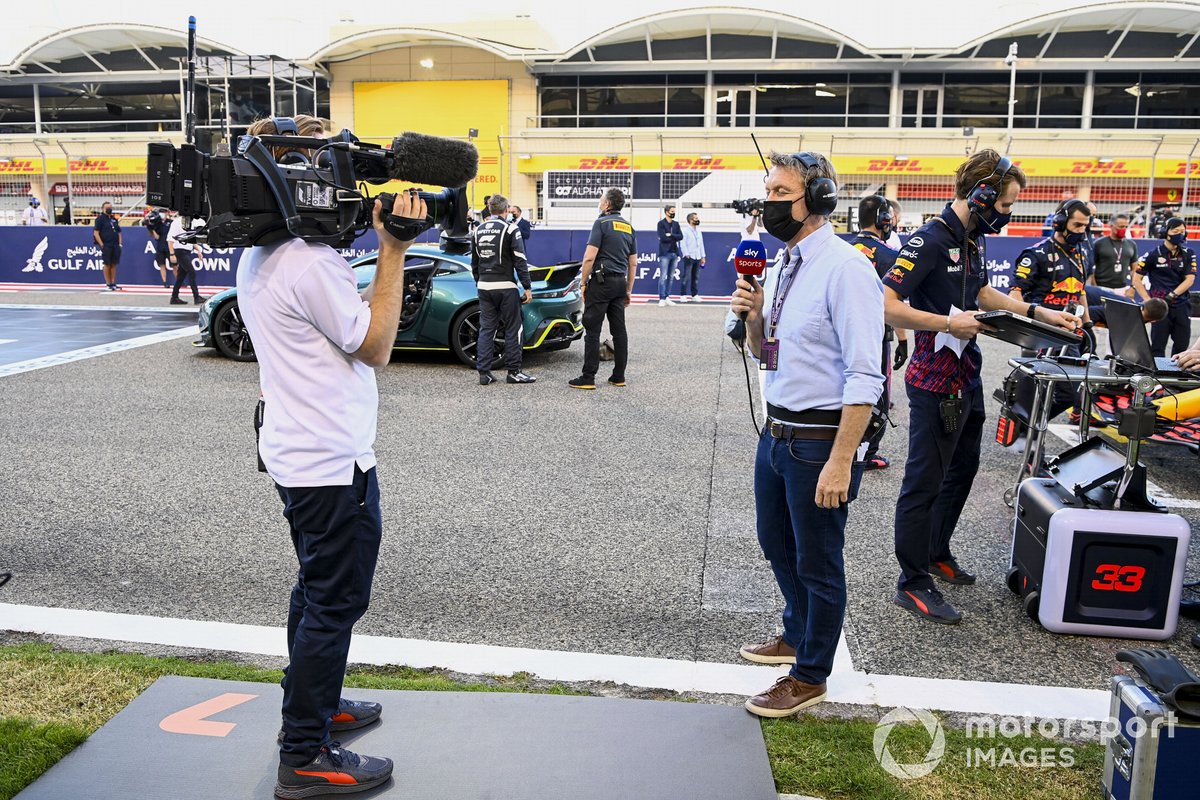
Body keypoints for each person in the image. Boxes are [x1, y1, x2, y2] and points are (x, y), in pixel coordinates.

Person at [236, 115, 418, 798]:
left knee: (315, 590)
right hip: (329, 464)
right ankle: (305, 752)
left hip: (299, 453)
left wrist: (377, 272)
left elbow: (336, 330)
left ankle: (319, 701)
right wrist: (392, 251)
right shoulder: (309, 262)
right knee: (335, 601)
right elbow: (373, 347)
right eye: (329, 166)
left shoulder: (265, 254)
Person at [882, 150, 1079, 625]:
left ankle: (935, 552)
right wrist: (947, 320)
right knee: (924, 480)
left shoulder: (971, 238)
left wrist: (1039, 313)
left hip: (966, 375)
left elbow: (982, 295)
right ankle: (912, 581)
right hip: (933, 383)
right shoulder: (927, 240)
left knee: (963, 469)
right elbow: (885, 304)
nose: (1009, 215)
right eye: (1007, 205)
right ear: (983, 195)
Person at [730, 150, 883, 718]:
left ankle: (811, 672)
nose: (766, 204)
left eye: (778, 193)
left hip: (821, 440)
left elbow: (866, 374)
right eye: (766, 192)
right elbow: (766, 354)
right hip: (776, 434)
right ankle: (797, 632)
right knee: (776, 543)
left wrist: (843, 459)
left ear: (816, 200)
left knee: (819, 560)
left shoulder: (846, 268)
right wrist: (751, 316)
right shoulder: (780, 266)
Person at [850, 195, 902, 471]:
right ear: (883, 219)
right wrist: (903, 340)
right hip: (876, 336)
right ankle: (867, 453)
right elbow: (895, 304)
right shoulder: (889, 256)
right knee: (877, 393)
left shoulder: (840, 248)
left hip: (840, 335)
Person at [570, 187, 637, 389]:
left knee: (592, 329)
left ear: (607, 204)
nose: (600, 203)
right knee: (619, 331)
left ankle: (588, 377)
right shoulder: (628, 227)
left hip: (601, 282)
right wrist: (628, 290)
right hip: (619, 283)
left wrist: (582, 282)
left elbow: (589, 257)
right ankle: (619, 376)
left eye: (601, 200)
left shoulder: (601, 223)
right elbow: (633, 263)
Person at [471, 193, 535, 385]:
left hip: (484, 286)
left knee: (486, 329)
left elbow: (474, 263)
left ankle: (484, 373)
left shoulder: (477, 230)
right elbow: (520, 260)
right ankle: (514, 372)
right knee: (513, 328)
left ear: (490, 209)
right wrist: (527, 286)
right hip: (506, 286)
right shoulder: (511, 229)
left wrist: (479, 282)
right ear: (506, 210)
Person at [1134, 217, 1196, 357]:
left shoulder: (1188, 254)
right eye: (1176, 231)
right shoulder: (1152, 254)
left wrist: (1172, 295)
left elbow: (1190, 279)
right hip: (1160, 309)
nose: (1180, 234)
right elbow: (1137, 279)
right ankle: (1157, 377)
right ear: (1166, 232)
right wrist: (1148, 300)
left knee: (1182, 346)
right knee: (1157, 347)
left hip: (1181, 305)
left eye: (1182, 231)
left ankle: (1179, 378)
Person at [1092, 212, 1138, 293]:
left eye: (1125, 227)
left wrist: (1132, 288)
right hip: (1102, 287)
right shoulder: (1099, 244)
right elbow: (1090, 268)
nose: (1123, 229)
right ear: (1111, 226)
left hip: (1122, 288)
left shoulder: (1131, 244)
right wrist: (1095, 288)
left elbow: (1134, 269)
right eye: (1121, 227)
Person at [167, 212, 206, 305]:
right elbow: (170, 239)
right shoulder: (176, 222)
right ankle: (196, 297)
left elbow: (190, 239)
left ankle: (174, 297)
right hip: (180, 250)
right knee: (191, 272)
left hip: (186, 251)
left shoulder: (190, 223)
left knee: (181, 276)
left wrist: (198, 250)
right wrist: (172, 254)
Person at [656, 204, 683, 306]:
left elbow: (680, 236)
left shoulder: (676, 224)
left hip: (674, 253)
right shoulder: (661, 223)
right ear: (667, 212)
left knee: (671, 277)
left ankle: (667, 296)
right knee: (663, 276)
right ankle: (662, 298)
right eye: (672, 211)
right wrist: (672, 237)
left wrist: (671, 235)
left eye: (674, 211)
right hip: (664, 253)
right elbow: (663, 237)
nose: (673, 213)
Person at [93, 202, 122, 291]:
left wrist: (120, 244)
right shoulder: (100, 219)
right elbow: (96, 233)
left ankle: (113, 283)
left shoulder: (114, 219)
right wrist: (101, 244)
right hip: (106, 245)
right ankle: (108, 283)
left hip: (115, 245)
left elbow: (119, 232)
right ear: (103, 209)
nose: (109, 209)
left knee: (114, 264)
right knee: (107, 264)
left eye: (110, 207)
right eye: (107, 207)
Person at [679, 211, 706, 302]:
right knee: (686, 276)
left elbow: (701, 244)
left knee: (696, 277)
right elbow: (682, 244)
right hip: (689, 257)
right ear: (691, 220)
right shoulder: (685, 230)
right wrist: (686, 254)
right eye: (696, 218)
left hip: (698, 257)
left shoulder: (699, 230)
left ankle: (694, 294)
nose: (698, 220)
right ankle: (683, 295)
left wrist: (703, 256)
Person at [145, 208, 174, 288]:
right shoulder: (157, 223)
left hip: (169, 246)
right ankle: (165, 282)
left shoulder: (171, 222)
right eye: (161, 212)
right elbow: (156, 237)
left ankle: (179, 281)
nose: (163, 214)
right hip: (160, 247)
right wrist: (151, 228)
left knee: (174, 265)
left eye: (164, 212)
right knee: (162, 265)